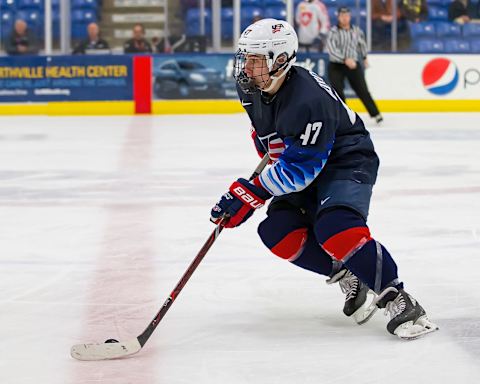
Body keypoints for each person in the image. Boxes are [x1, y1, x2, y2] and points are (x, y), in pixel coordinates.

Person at [210, 18, 438, 339]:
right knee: (277, 231)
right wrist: (249, 193)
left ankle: (397, 297)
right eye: (245, 58)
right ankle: (347, 274)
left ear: (280, 60)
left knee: (335, 228)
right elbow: (268, 135)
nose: (247, 68)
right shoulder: (252, 87)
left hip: (346, 159)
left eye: (256, 60)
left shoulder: (307, 99)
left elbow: (300, 171)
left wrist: (252, 193)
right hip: (309, 158)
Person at [326, 7, 383, 124]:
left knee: (363, 90)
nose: (344, 18)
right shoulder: (333, 32)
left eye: (346, 15)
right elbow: (331, 49)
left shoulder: (357, 31)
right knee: (337, 91)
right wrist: (344, 59)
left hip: (353, 65)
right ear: (338, 17)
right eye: (342, 15)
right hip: (336, 65)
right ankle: (342, 117)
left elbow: (361, 45)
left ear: (350, 17)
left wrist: (364, 58)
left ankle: (376, 114)